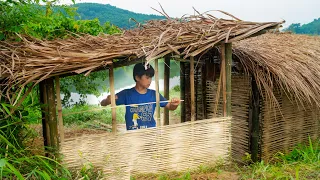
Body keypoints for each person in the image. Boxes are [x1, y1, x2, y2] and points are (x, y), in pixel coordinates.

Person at [101, 62, 180, 130]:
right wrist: (108, 100)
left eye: (151, 78)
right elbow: (103, 103)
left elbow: (170, 106)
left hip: (151, 133)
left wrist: (174, 104)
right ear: (137, 77)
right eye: (147, 77)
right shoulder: (126, 94)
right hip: (133, 135)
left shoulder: (154, 94)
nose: (150, 81)